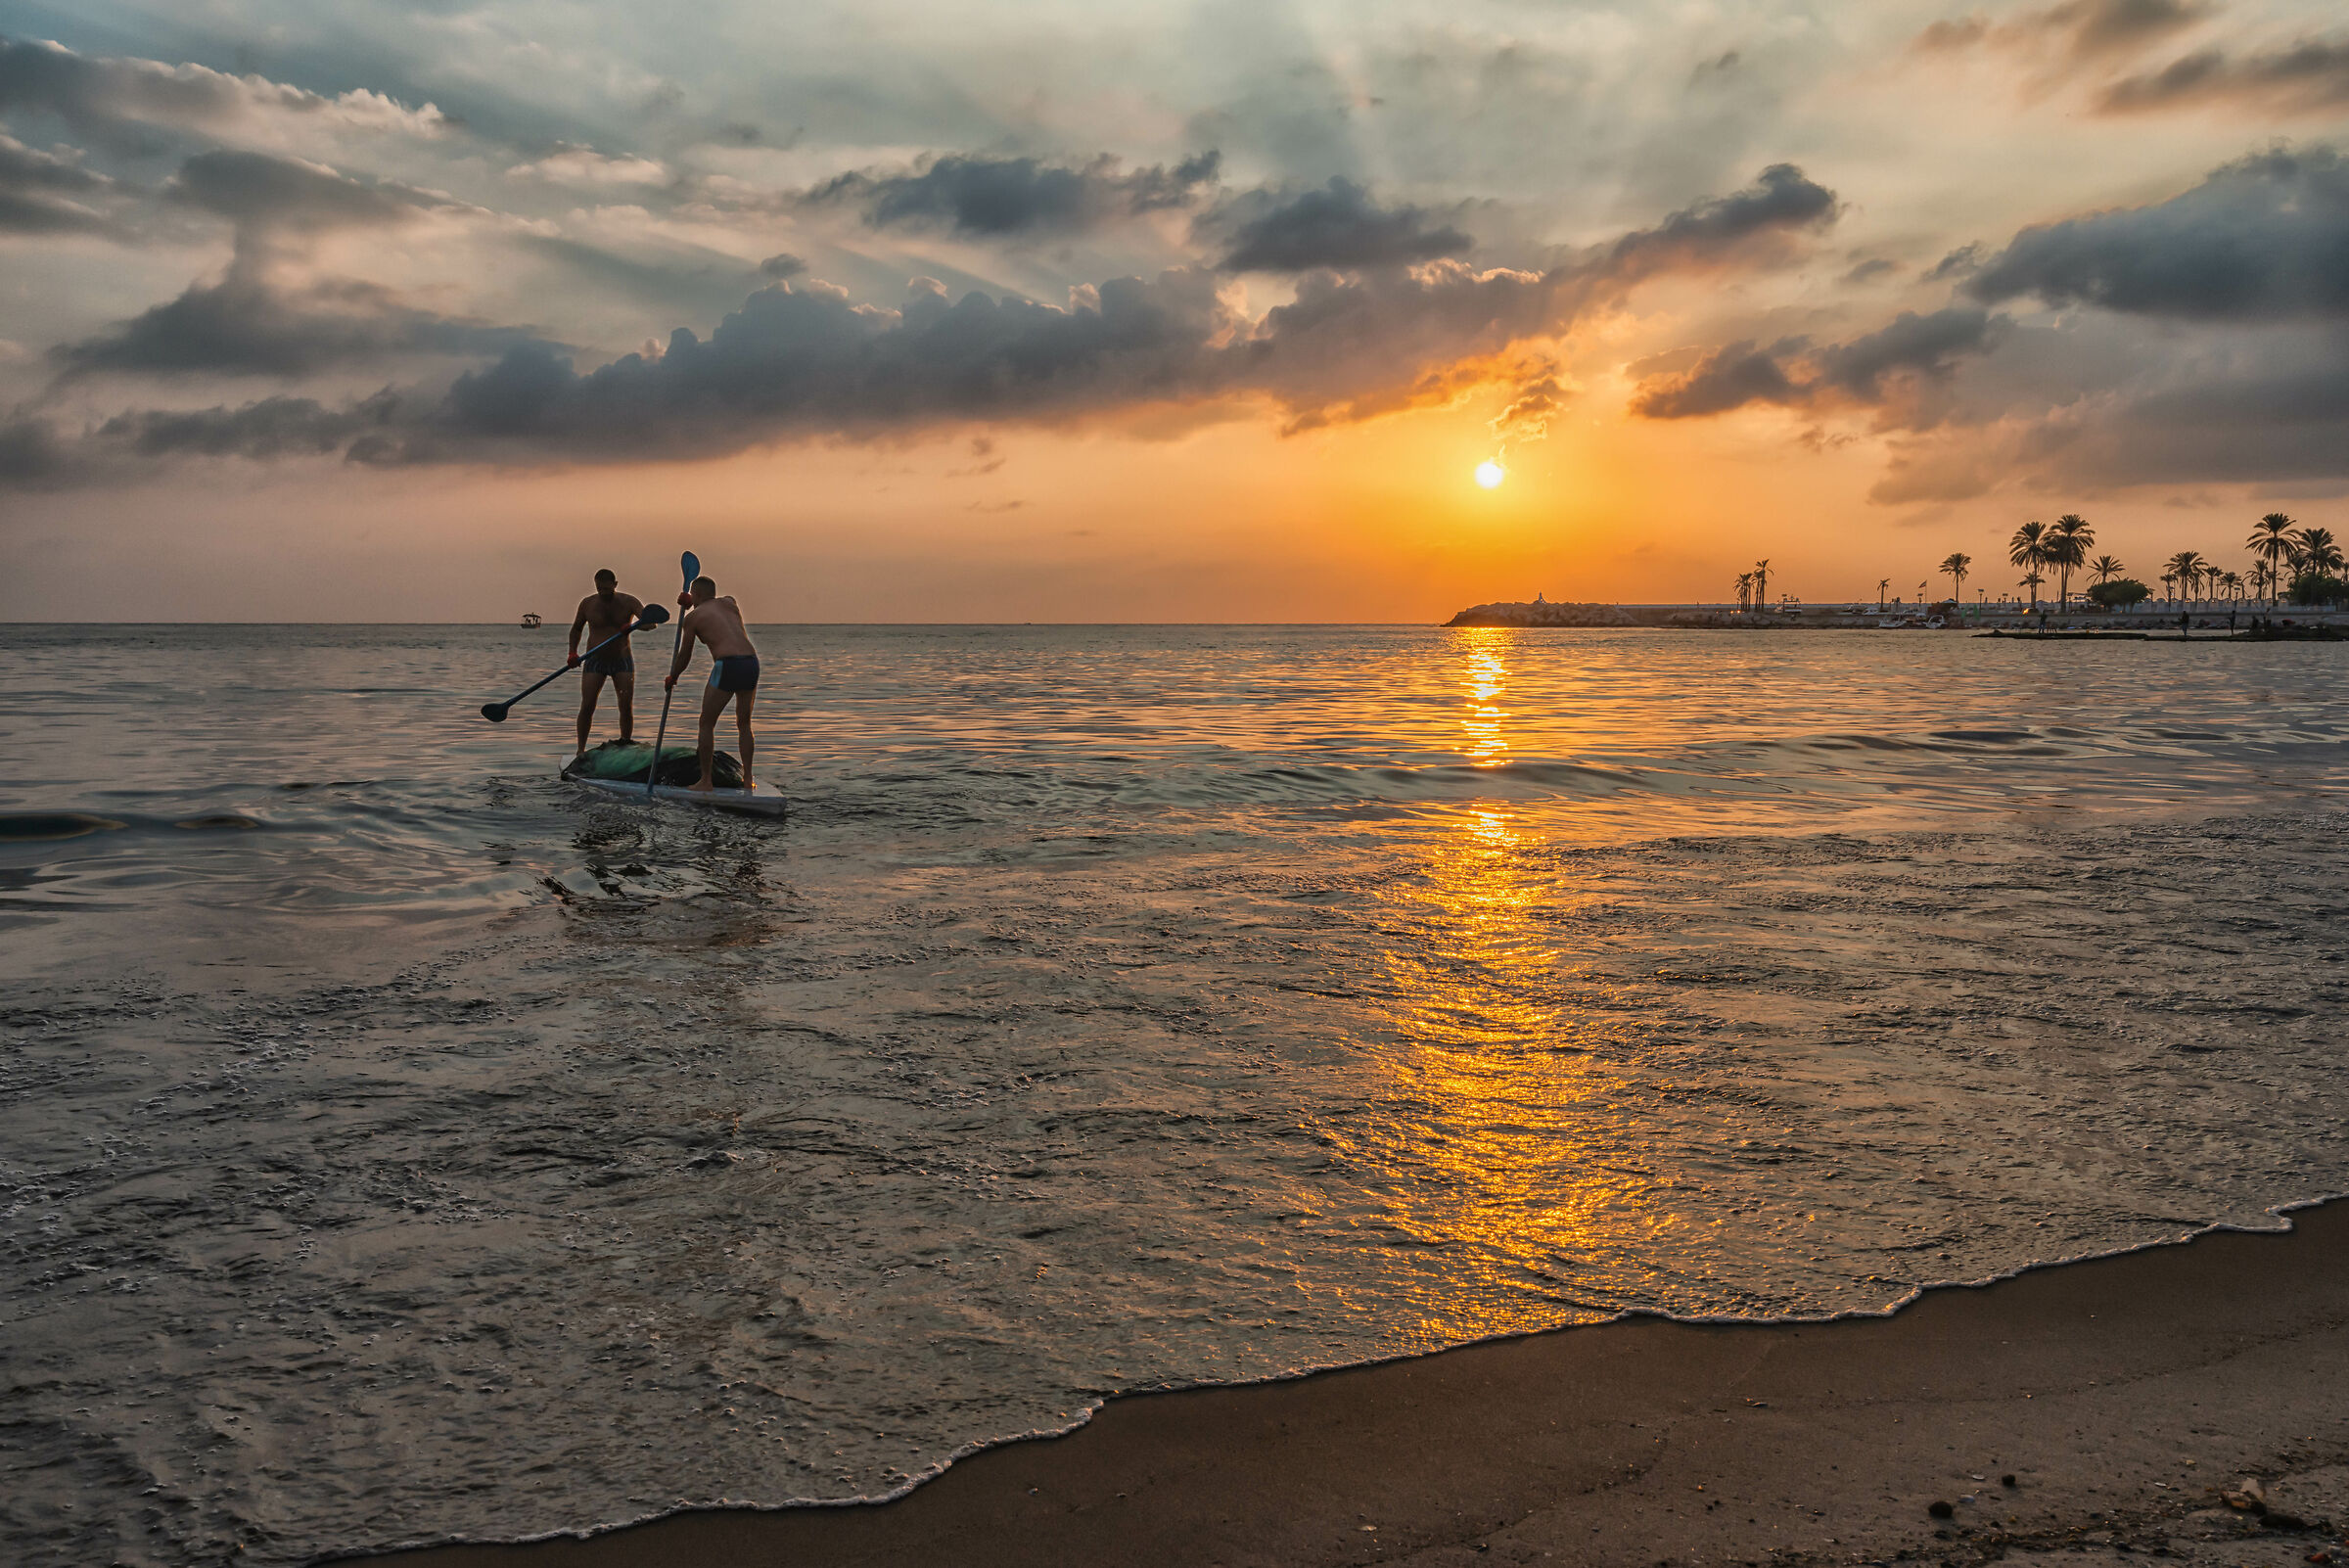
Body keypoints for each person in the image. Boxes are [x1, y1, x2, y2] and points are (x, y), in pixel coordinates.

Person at [666, 575, 760, 792]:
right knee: (744, 723)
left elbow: (684, 656)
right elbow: (716, 609)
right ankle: (747, 779)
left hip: (728, 664)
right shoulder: (730, 602)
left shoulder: (692, 618)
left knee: (706, 723)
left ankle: (705, 781)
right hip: (751, 662)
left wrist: (673, 676)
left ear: (695, 594)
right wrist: (692, 603)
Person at [567, 569, 643, 754]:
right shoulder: (587, 604)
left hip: (622, 660)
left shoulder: (629, 601)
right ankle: (580, 751)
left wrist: (632, 626)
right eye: (600, 589)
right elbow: (576, 629)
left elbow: (651, 623)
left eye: (607, 589)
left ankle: (625, 746)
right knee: (587, 705)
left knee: (625, 705)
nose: (603, 593)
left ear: (615, 585)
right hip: (594, 660)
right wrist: (572, 653)